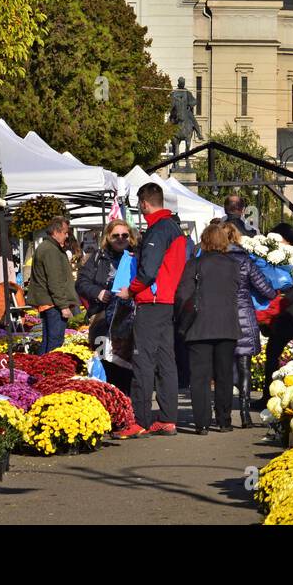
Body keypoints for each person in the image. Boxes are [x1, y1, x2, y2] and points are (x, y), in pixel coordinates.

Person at [114, 183, 186, 439]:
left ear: (144, 203)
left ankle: (139, 420)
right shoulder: (174, 227)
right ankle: (167, 419)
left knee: (142, 360)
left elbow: (148, 272)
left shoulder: (158, 229)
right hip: (166, 303)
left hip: (151, 302)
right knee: (166, 360)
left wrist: (130, 290)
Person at [180, 222, 243, 433]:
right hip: (227, 326)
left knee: (200, 377)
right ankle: (224, 421)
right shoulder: (234, 265)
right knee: (224, 375)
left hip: (199, 327)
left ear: (204, 241)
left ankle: (202, 422)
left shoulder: (194, 265)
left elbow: (183, 295)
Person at [220, 222, 277, 429]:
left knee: (223, 367)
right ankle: (245, 415)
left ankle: (223, 415)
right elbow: (266, 289)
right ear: (236, 238)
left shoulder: (215, 261)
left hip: (221, 317)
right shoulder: (245, 260)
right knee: (245, 367)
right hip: (244, 314)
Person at [76, 219, 138, 396]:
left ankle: (129, 407)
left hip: (131, 321)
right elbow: (81, 283)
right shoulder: (98, 257)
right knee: (107, 364)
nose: (120, 239)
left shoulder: (138, 256)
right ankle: (112, 403)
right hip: (103, 319)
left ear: (130, 237)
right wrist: (99, 292)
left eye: (124, 235)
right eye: (115, 235)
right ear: (108, 238)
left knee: (129, 366)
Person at [260, 223, 293, 401]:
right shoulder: (274, 259)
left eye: (278, 240)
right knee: (272, 354)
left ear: (288, 240)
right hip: (284, 314)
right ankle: (269, 395)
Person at [25, 216, 79, 355]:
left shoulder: (48, 247)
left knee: (48, 341)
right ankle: (51, 372)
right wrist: (63, 306)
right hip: (53, 303)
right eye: (65, 232)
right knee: (55, 343)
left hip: (49, 302)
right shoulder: (50, 250)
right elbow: (55, 281)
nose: (67, 236)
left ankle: (41, 370)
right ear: (56, 232)